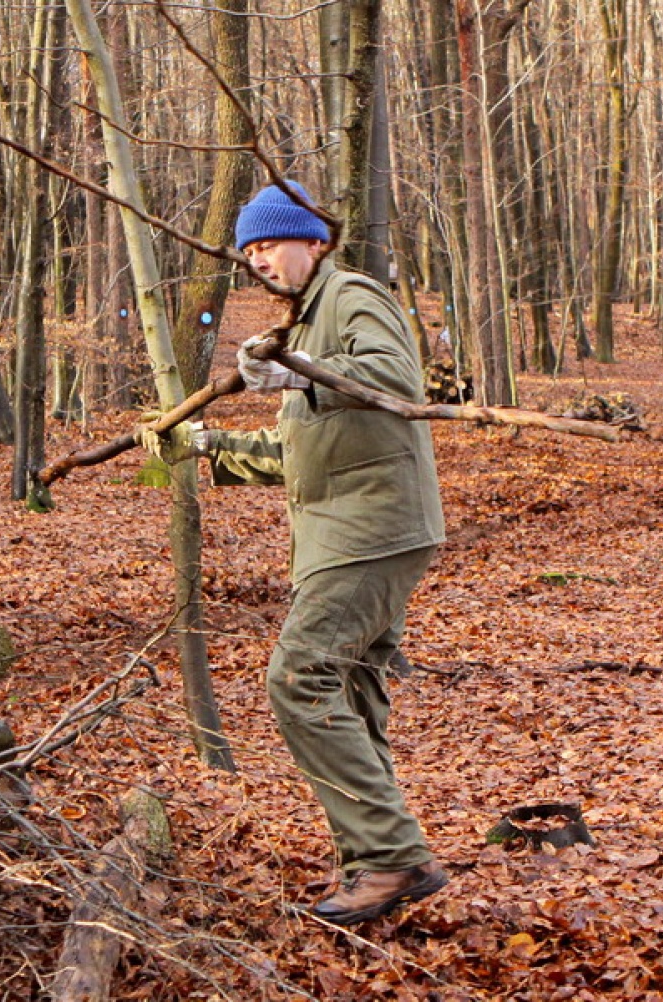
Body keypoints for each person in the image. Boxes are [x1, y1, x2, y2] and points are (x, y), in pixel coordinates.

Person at [139, 181, 447, 926]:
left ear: (313, 239)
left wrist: (296, 368)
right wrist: (208, 443)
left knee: (300, 678)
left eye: (269, 244)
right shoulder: (307, 319)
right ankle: (374, 862)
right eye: (248, 253)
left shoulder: (352, 296)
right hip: (348, 531)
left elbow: (397, 380)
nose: (259, 261)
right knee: (350, 693)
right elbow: (299, 451)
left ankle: (391, 859)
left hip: (373, 528)